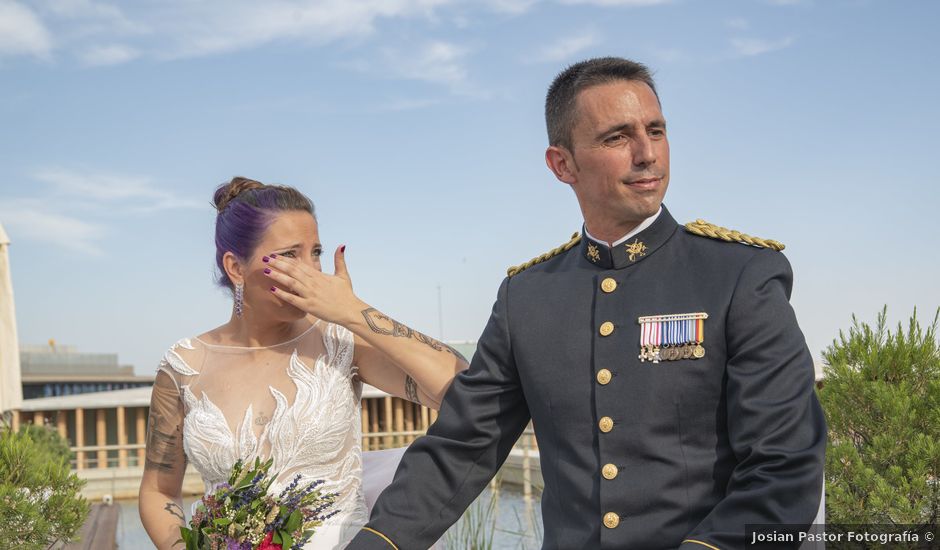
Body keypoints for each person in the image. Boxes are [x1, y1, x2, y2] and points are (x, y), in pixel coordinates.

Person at [348, 57, 826, 550]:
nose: (647, 154)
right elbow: (462, 447)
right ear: (562, 164)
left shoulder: (737, 274)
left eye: (656, 131)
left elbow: (784, 464)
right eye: (617, 137)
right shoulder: (527, 297)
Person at [138, 178, 467, 549]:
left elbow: (464, 389)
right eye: (291, 255)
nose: (311, 270)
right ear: (235, 267)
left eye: (316, 253)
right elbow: (159, 490)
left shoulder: (341, 341)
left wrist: (353, 312)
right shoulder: (184, 366)